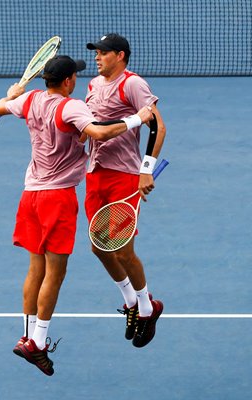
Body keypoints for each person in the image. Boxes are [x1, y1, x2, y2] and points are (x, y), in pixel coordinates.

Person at [0, 55, 154, 375]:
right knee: (55, 273)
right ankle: (38, 342)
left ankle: (27, 336)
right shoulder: (72, 107)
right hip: (57, 200)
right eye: (75, 76)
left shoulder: (30, 99)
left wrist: (10, 96)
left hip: (29, 196)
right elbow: (99, 133)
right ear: (68, 81)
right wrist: (138, 118)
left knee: (34, 268)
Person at [84, 34, 167, 348]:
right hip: (95, 174)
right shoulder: (93, 85)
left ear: (120, 55)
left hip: (124, 176)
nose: (97, 57)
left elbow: (157, 125)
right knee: (98, 247)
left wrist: (146, 169)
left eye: (103, 53)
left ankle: (148, 307)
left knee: (122, 249)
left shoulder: (132, 84)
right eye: (96, 53)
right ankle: (131, 301)